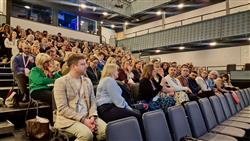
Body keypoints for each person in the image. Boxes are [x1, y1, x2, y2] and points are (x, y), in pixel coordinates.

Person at [54, 54, 106, 141]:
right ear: (74, 66)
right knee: (87, 135)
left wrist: (92, 116)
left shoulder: (87, 81)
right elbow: (62, 108)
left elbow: (93, 101)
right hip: (69, 119)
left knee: (106, 131)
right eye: (83, 64)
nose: (86, 66)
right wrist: (83, 120)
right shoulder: (60, 82)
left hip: (87, 116)